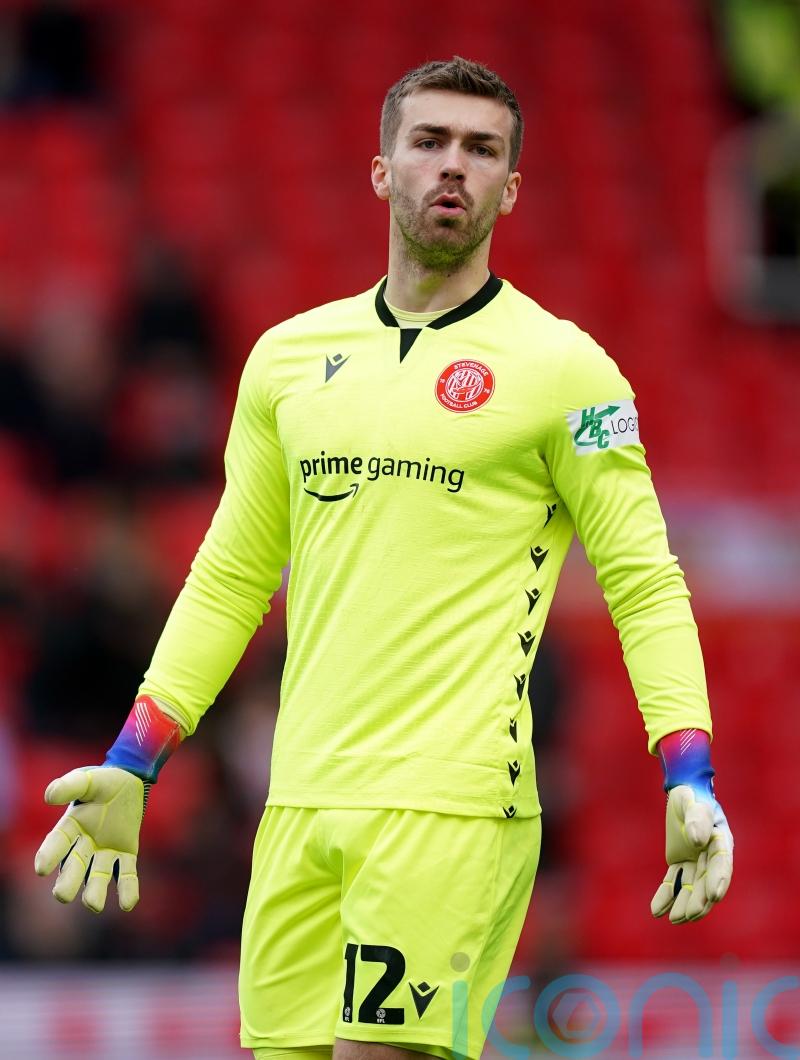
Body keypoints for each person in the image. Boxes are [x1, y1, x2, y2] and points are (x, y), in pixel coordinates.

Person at [34, 57, 734, 1060]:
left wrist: (687, 767)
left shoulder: (567, 371)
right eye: (429, 141)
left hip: (450, 806)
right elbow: (232, 574)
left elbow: (643, 581)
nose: (453, 166)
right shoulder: (286, 361)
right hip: (300, 801)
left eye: (481, 150)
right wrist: (135, 758)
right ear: (381, 169)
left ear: (510, 189)